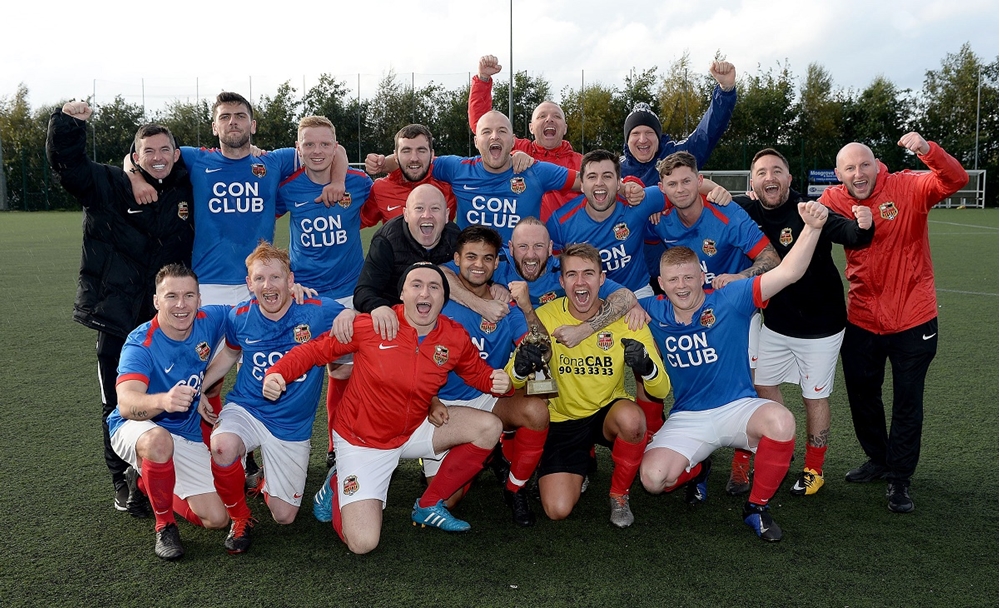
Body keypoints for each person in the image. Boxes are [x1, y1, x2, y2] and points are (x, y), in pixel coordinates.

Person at [264, 263, 511, 554]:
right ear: (402, 294)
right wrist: (277, 373)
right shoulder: (375, 325)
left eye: (434, 287)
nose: (425, 293)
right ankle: (336, 484)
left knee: (489, 427)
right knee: (363, 544)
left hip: (414, 427)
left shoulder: (453, 337)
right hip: (363, 442)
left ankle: (429, 504)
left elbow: (479, 375)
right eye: (416, 285)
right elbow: (316, 350)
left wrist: (499, 380)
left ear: (444, 299)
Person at [638, 201, 830, 542]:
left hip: (738, 408)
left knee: (781, 421)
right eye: (673, 280)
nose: (682, 286)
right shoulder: (651, 311)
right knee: (653, 480)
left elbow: (788, 272)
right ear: (661, 284)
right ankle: (698, 467)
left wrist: (812, 229)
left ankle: (756, 508)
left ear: (702, 275)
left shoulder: (731, 297)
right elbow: (606, 301)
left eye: (688, 277)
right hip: (688, 417)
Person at [47, 100, 194, 517]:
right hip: (116, 318)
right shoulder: (109, 184)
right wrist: (67, 122)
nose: (158, 158)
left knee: (174, 396)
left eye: (165, 150)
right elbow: (68, 166)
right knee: (116, 401)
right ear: (135, 155)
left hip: (169, 322)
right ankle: (122, 477)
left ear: (177, 154)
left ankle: (160, 471)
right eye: (148, 151)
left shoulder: (189, 186)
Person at [819, 133, 966, 513]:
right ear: (838, 174)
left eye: (864, 164)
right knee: (862, 394)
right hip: (863, 319)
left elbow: (955, 180)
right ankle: (878, 459)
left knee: (907, 401)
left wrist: (927, 150)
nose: (858, 173)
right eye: (849, 168)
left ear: (876, 164)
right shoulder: (833, 199)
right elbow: (796, 215)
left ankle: (900, 478)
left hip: (913, 320)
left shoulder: (907, 186)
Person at [732, 148, 874, 496]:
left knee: (815, 397)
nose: (770, 178)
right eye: (762, 172)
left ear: (789, 179)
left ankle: (814, 468)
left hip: (821, 327)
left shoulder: (809, 210)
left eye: (777, 171)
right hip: (776, 324)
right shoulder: (747, 209)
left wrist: (864, 225)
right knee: (761, 388)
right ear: (753, 182)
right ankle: (782, 443)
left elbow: (851, 234)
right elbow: (696, 196)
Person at [197, 242, 347, 554]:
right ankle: (240, 518)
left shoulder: (317, 311)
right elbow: (229, 355)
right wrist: (200, 387)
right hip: (248, 408)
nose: (268, 286)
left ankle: (265, 482)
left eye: (276, 277)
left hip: (291, 425)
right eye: (260, 278)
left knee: (284, 515)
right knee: (222, 446)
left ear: (291, 281)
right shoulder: (240, 316)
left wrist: (351, 315)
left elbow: (355, 317)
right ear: (249, 284)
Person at [508, 244, 670, 528]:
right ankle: (579, 466)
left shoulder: (627, 319)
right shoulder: (544, 316)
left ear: (602, 279)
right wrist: (521, 366)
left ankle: (619, 495)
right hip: (562, 418)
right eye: (572, 275)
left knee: (633, 420)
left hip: (606, 411)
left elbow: (661, 391)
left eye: (588, 274)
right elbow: (513, 378)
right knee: (557, 510)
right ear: (561, 282)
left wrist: (648, 368)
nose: (580, 283)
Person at [646, 151, 780, 493]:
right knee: (686, 375)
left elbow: (770, 257)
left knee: (750, 383)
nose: (680, 189)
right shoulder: (660, 218)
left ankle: (741, 464)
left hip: (729, 310)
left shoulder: (726, 213)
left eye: (687, 180)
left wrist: (740, 276)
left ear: (699, 179)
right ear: (663, 188)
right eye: (672, 184)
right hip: (684, 307)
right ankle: (695, 456)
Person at [430, 226, 550, 526]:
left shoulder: (506, 306)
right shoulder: (437, 300)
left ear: (497, 263)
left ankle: (515, 488)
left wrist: (526, 313)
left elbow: (543, 349)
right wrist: (428, 399)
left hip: (486, 398)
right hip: (440, 404)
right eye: (471, 257)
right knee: (448, 500)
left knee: (536, 409)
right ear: (456, 260)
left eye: (487, 258)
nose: (479, 265)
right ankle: (485, 452)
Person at [108, 265, 229, 559]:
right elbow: (126, 402)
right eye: (171, 296)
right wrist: (163, 401)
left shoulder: (210, 319)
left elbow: (254, 310)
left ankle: (145, 482)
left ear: (200, 299)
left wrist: (292, 293)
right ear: (156, 301)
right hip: (135, 425)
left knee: (217, 519)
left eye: (189, 295)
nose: (181, 304)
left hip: (183, 431)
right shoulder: (142, 343)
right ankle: (165, 526)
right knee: (158, 440)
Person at [546, 150, 667, 436]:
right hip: (584, 294)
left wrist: (715, 189)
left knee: (650, 354)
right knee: (573, 352)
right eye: (592, 177)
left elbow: (679, 186)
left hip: (637, 290)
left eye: (607, 177)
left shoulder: (637, 203)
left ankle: (652, 433)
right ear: (582, 183)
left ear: (619, 182)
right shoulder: (561, 221)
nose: (599, 184)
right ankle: (582, 435)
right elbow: (551, 267)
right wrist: (625, 301)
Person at [277, 116, 374, 469]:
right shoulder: (287, 187)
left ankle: (338, 445)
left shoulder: (359, 183)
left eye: (324, 144)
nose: (317, 151)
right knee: (297, 374)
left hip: (350, 294)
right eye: (309, 144)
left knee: (345, 372)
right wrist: (285, 278)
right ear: (298, 148)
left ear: (335, 148)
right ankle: (282, 451)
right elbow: (258, 228)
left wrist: (338, 178)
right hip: (306, 297)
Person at [468, 55, 583, 219]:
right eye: (542, 116)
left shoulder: (582, 163)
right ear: (531, 127)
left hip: (566, 243)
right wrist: (483, 80)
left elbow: (607, 185)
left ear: (565, 128)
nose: (549, 119)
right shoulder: (517, 148)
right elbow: (482, 125)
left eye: (556, 116)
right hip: (523, 242)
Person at [620, 61, 737, 188]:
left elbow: (708, 131)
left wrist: (725, 91)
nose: (643, 140)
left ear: (658, 137)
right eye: (635, 133)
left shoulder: (677, 156)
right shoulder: (614, 169)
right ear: (627, 139)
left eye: (649, 132)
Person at [360, 124, 457, 227]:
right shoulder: (380, 189)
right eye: (406, 151)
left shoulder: (449, 184)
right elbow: (355, 222)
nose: (414, 158)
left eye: (421, 150)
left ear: (432, 155)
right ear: (396, 156)